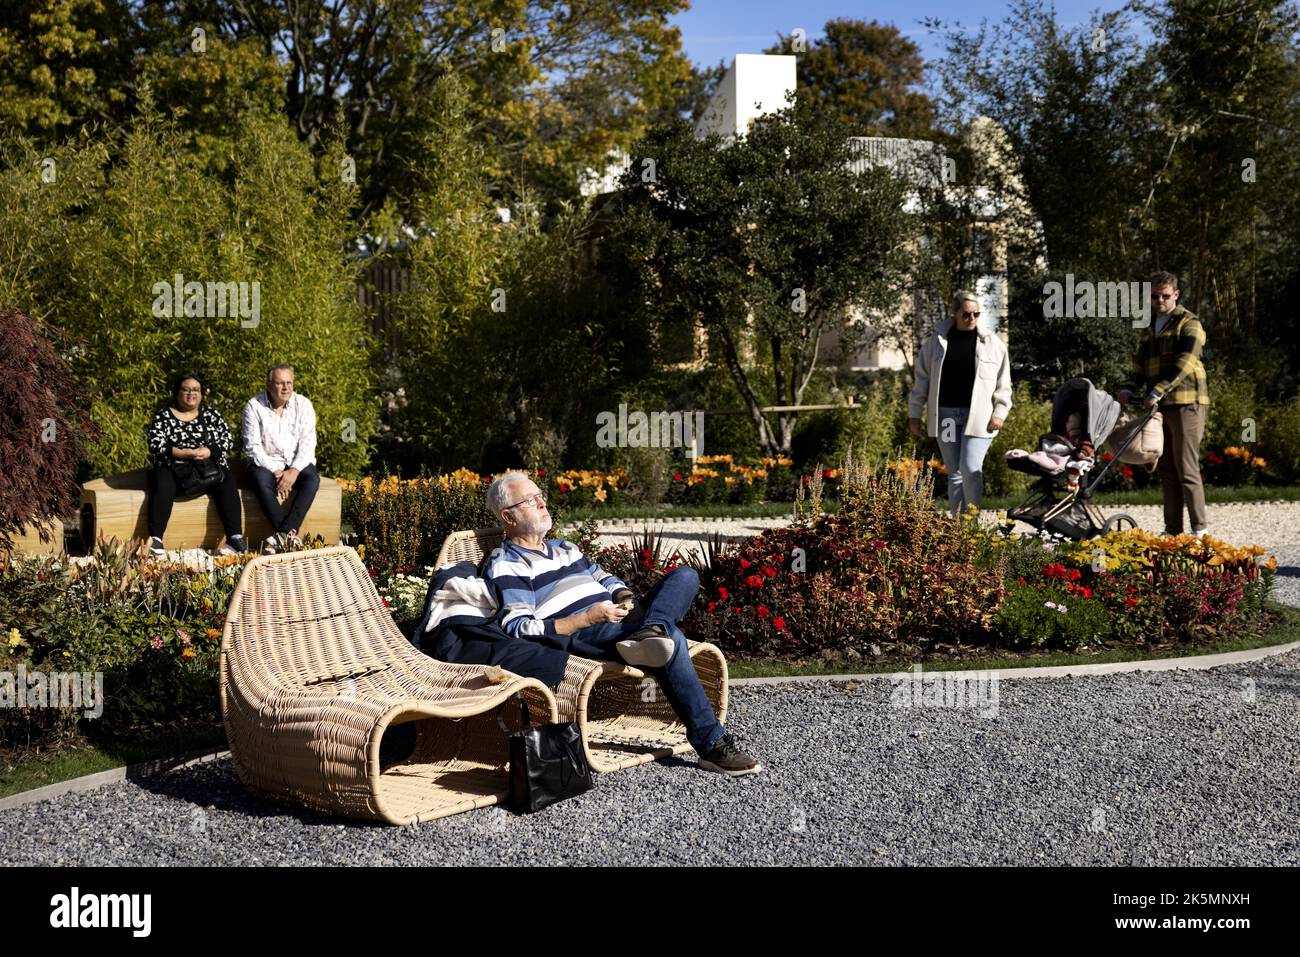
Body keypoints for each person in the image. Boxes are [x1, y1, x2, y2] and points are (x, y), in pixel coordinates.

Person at [482, 472, 761, 777]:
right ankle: (711, 744)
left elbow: (605, 578)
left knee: (686, 576)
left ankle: (650, 631)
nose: (542, 503)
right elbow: (519, 626)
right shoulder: (508, 563)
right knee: (675, 640)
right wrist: (587, 618)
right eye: (531, 500)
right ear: (508, 516)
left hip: (621, 617)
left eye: (540, 496)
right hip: (590, 630)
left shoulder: (566, 548)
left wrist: (626, 597)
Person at [1117, 271, 1210, 536]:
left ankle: (1199, 531)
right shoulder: (1147, 328)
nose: (1160, 300)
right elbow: (1139, 366)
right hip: (1158, 406)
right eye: (1155, 296)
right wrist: (1127, 388)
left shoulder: (1189, 322)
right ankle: (1172, 530)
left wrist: (1157, 389)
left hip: (1186, 401)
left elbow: (1186, 362)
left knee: (1186, 467)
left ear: (1176, 295)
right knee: (1166, 469)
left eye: (1165, 296)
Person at [909, 290, 1013, 517]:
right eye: (966, 314)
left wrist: (1000, 413)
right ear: (955, 313)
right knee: (954, 472)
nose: (972, 318)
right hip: (946, 416)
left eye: (976, 313)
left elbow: (1003, 383)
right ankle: (958, 526)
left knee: (971, 468)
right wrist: (914, 414)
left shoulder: (992, 344)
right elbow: (922, 379)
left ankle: (972, 521)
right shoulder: (936, 343)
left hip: (979, 418)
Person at [145, 372, 246, 556]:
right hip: (174, 470)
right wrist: (181, 453)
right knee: (162, 482)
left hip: (208, 470)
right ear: (176, 392)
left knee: (227, 480)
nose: (191, 393)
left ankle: (235, 538)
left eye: (196, 389)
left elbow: (227, 439)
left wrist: (208, 451)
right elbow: (154, 443)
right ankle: (156, 540)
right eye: (186, 389)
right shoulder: (163, 416)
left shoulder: (211, 415)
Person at [242, 364, 320, 553]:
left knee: (312, 478)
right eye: (280, 383)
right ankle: (288, 536)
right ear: (269, 385)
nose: (286, 388)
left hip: (295, 463)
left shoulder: (304, 404)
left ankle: (284, 534)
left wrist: (293, 471)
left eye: (289, 383)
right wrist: (277, 472)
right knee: (261, 480)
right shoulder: (254, 406)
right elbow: (252, 447)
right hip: (266, 463)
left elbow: (308, 444)